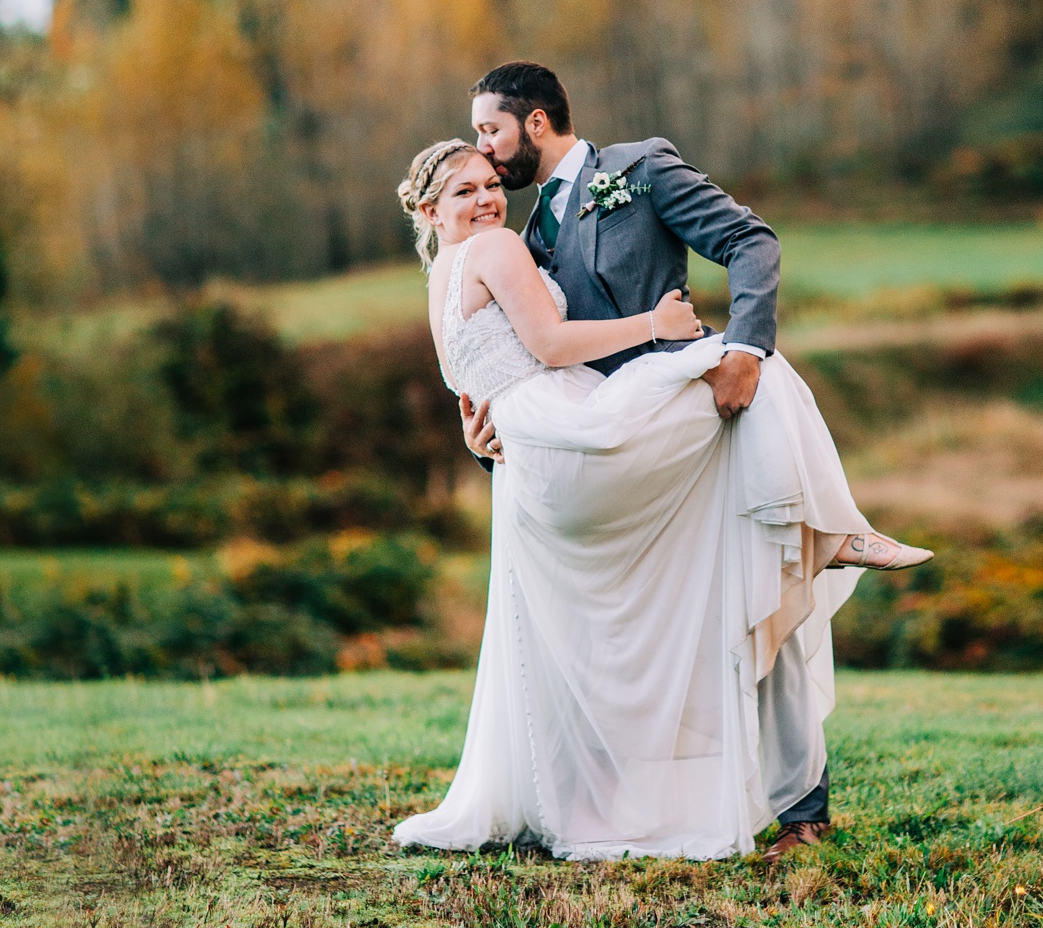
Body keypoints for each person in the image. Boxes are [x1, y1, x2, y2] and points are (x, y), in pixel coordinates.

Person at [392, 103, 930, 862]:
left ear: (533, 120)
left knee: (597, 633)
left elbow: (474, 378)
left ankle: (598, 804)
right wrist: (659, 326)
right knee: (750, 369)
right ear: (429, 208)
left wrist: (479, 434)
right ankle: (823, 527)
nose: (485, 187)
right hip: (576, 433)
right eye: (465, 185)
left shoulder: (467, 261)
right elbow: (543, 344)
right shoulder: (507, 243)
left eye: (489, 152)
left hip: (533, 467)